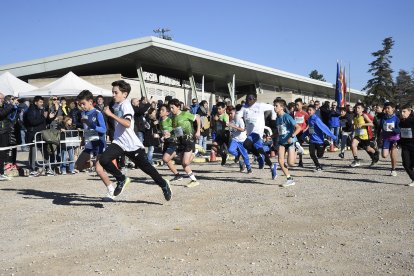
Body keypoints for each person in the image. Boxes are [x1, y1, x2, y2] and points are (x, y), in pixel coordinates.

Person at [96, 80, 172, 201]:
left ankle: (163, 184)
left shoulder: (126, 105)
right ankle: (121, 179)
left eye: (116, 92)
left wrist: (110, 114)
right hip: (119, 142)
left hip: (131, 144)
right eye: (112, 92)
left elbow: (127, 123)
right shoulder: (115, 104)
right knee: (104, 160)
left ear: (124, 94)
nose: (113, 95)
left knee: (147, 168)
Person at [242, 93, 277, 180]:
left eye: (250, 98)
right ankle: (272, 166)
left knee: (246, 144)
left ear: (255, 99)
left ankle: (258, 157)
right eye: (247, 98)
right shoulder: (245, 108)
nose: (248, 100)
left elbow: (272, 107)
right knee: (261, 151)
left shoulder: (260, 106)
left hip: (257, 132)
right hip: (250, 132)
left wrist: (273, 117)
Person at [169, 98, 201, 187]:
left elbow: (197, 118)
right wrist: (170, 135)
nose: (171, 110)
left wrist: (198, 131)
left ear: (178, 107)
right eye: (170, 108)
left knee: (185, 163)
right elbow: (176, 130)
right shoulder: (173, 117)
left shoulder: (185, 114)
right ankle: (194, 180)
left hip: (189, 140)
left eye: (172, 108)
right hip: (181, 141)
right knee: (183, 163)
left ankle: (195, 152)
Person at [74, 90, 107, 173]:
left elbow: (103, 129)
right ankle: (94, 163)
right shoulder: (83, 113)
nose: (81, 106)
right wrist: (83, 138)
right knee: (78, 166)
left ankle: (119, 178)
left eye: (83, 104)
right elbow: (86, 128)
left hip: (99, 143)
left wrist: (91, 124)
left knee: (99, 170)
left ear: (90, 102)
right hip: (89, 144)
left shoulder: (97, 113)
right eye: (80, 104)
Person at [274, 98, 302, 187]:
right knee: (280, 161)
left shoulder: (287, 117)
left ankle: (297, 148)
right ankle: (289, 179)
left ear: (282, 107)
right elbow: (278, 131)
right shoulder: (277, 118)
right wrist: (271, 137)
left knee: (291, 163)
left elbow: (298, 128)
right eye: (274, 106)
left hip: (290, 141)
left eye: (276, 106)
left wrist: (292, 136)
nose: (274, 107)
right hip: (282, 142)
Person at [302, 105, 337, 171]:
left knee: (319, 155)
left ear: (314, 111)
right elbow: (310, 129)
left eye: (310, 110)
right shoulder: (309, 119)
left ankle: (324, 144)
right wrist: (304, 135)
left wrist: (333, 136)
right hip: (312, 140)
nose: (309, 111)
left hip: (319, 141)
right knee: (312, 154)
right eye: (308, 110)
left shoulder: (316, 119)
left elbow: (324, 128)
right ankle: (318, 166)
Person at [24, 96, 50, 176]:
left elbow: (46, 121)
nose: (42, 103)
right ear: (35, 102)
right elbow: (33, 122)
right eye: (40, 102)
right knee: (33, 151)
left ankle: (48, 168)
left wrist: (51, 117)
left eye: (42, 102)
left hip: (42, 134)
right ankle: (32, 169)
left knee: (45, 151)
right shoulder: (30, 110)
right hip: (33, 134)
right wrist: (43, 117)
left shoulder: (41, 110)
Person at [350, 103, 379, 167]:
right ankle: (356, 160)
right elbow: (355, 125)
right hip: (357, 135)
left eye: (358, 108)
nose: (357, 109)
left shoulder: (364, 115)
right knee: (353, 144)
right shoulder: (355, 116)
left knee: (368, 149)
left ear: (362, 109)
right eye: (356, 108)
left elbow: (371, 124)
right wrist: (353, 126)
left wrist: (363, 124)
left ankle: (375, 152)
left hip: (365, 135)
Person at [159, 104, 182, 181]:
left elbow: (179, 131)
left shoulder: (170, 120)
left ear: (167, 113)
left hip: (173, 142)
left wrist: (170, 134)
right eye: (160, 110)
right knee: (166, 160)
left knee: (165, 159)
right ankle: (177, 175)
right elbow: (163, 132)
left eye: (163, 110)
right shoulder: (161, 121)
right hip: (166, 142)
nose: (160, 111)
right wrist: (160, 136)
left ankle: (178, 152)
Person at [226, 106, 252, 173]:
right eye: (228, 114)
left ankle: (249, 168)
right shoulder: (231, 120)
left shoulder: (239, 119)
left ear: (235, 112)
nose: (230, 115)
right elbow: (231, 130)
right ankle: (238, 156)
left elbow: (242, 129)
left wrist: (233, 126)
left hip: (242, 140)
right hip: (235, 139)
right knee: (230, 150)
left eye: (231, 113)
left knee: (245, 155)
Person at [377, 102, 400, 176]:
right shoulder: (383, 118)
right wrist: (378, 137)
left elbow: (399, 130)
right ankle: (388, 150)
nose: (386, 110)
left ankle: (393, 170)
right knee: (384, 155)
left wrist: (393, 129)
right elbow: (379, 128)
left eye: (388, 108)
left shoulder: (396, 119)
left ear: (393, 109)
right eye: (385, 108)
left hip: (394, 138)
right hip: (386, 139)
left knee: (393, 153)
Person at [0, 92, 18, 181]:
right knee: (1, 153)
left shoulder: (4, 106)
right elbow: (1, 114)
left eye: (3, 98)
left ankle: (1, 172)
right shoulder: (4, 107)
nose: (2, 100)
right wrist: (11, 105)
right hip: (1, 131)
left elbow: (11, 118)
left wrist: (14, 107)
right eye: (1, 98)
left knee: (3, 154)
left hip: (5, 131)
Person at [399, 104, 414, 186]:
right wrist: (397, 142)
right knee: (406, 164)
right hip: (405, 146)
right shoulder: (401, 122)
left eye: (404, 111)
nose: (402, 113)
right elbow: (401, 133)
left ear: (410, 111)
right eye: (401, 111)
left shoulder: (412, 120)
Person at [211, 102, 230, 166]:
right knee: (213, 146)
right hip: (218, 134)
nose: (218, 110)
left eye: (219, 109)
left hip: (225, 134)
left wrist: (218, 120)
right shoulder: (217, 114)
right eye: (217, 109)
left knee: (225, 148)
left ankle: (224, 156)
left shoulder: (225, 115)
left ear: (223, 109)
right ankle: (223, 155)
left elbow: (226, 125)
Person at [292, 98, 308, 167]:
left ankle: (300, 161)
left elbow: (309, 122)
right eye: (296, 105)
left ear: (301, 105)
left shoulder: (305, 113)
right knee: (295, 146)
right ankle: (294, 160)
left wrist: (306, 129)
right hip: (295, 132)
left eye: (298, 105)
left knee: (299, 146)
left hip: (301, 132)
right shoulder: (294, 113)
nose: (297, 106)